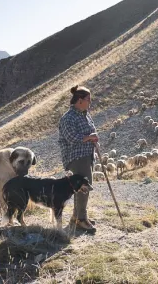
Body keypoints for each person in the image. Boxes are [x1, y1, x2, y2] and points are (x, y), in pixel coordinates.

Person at [58, 85, 98, 233]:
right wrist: (89, 137)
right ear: (80, 100)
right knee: (84, 187)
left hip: (86, 156)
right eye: (88, 99)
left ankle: (77, 217)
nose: (90, 102)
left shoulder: (85, 114)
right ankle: (81, 219)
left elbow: (91, 129)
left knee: (83, 186)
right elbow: (71, 137)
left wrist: (93, 137)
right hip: (76, 157)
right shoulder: (68, 118)